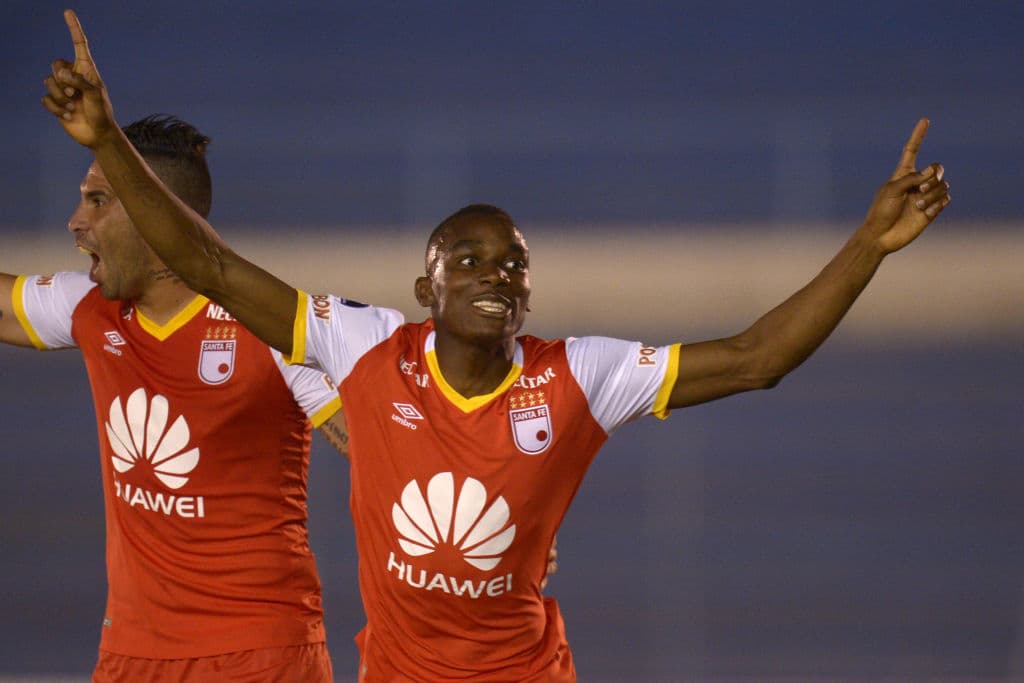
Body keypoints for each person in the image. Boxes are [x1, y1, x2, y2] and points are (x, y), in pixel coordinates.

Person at [43, 10, 951, 681]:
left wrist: (866, 243)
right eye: (467, 259)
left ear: (529, 290)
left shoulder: (581, 375)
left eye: (513, 264)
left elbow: (760, 357)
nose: (494, 274)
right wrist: (107, 143)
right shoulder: (361, 347)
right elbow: (205, 262)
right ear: (423, 288)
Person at [0, 110, 356, 680]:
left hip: (259, 656)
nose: (75, 222)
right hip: (130, 657)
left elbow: (383, 452)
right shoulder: (91, 309)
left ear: (156, 213)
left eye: (98, 201)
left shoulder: (272, 328)